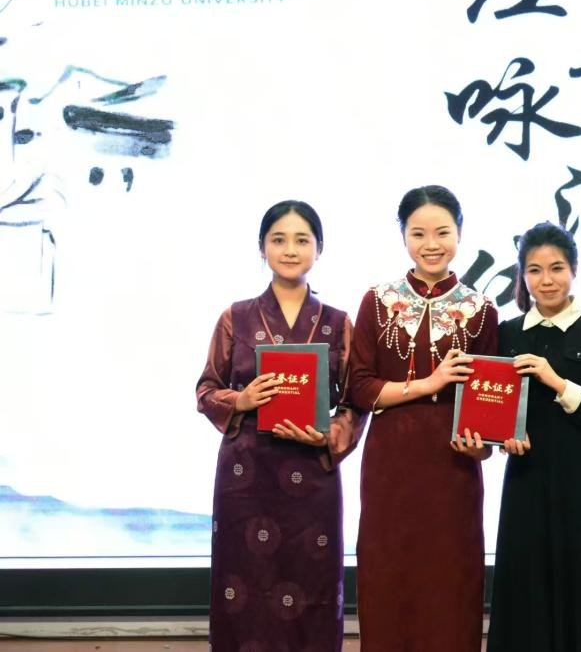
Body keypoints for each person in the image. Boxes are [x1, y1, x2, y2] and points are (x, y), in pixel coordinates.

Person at [196, 200, 366, 652]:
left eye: (301, 240)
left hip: (312, 473)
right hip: (247, 475)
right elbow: (206, 390)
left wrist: (330, 437)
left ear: (319, 248)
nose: (290, 249)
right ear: (262, 248)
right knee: (243, 587)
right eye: (279, 239)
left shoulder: (338, 323)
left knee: (312, 583)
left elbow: (355, 401)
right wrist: (241, 400)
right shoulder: (235, 317)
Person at [348, 185, 498, 652]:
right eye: (418, 234)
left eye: (442, 232)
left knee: (451, 584)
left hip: (452, 470)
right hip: (389, 467)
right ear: (403, 236)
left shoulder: (481, 310)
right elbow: (359, 387)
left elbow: (489, 405)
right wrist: (430, 384)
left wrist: (482, 446)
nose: (431, 244)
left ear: (460, 233)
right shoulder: (376, 301)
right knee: (387, 578)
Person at [487, 222, 581, 652]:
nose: (547, 280)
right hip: (527, 479)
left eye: (556, 268)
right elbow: (493, 405)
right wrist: (502, 436)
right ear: (522, 277)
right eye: (534, 271)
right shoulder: (507, 332)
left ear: (574, 270)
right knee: (527, 588)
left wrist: (558, 382)